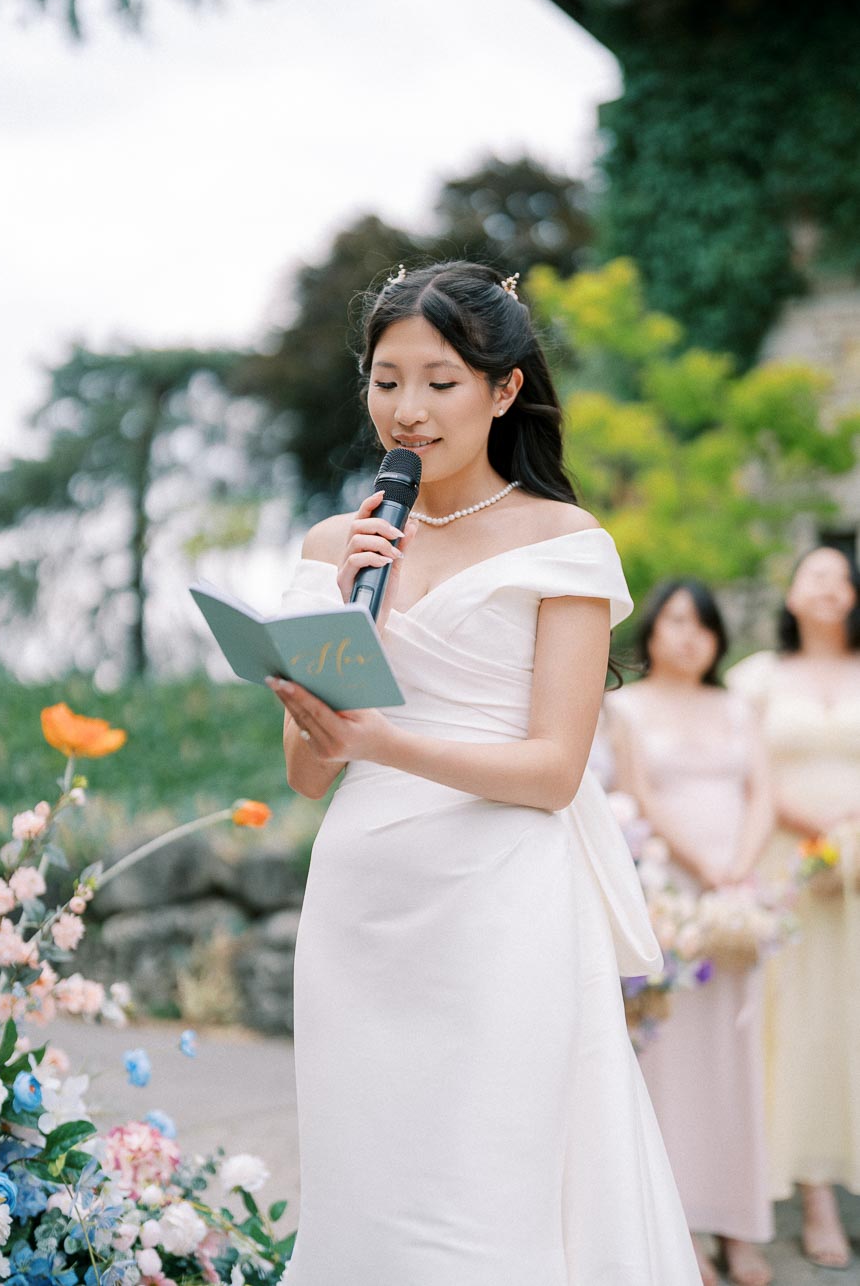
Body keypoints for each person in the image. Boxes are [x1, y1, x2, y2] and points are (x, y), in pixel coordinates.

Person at [266, 261, 701, 1286]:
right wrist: (336, 609)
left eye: (439, 381)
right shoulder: (339, 544)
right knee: (369, 1179)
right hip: (362, 906)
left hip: (502, 907)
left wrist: (385, 742)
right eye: (385, 380)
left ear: (504, 390)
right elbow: (303, 771)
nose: (406, 410)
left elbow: (553, 772)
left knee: (487, 1185)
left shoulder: (565, 543)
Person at [603, 579, 775, 1286]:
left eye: (702, 623)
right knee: (670, 1065)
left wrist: (739, 865)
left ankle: (741, 1226)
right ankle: (681, 1232)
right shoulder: (626, 707)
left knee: (738, 1062)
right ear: (653, 631)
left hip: (737, 901)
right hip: (667, 893)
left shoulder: (736, 704)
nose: (689, 635)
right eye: (675, 620)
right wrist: (702, 863)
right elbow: (638, 794)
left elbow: (762, 791)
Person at [727, 543, 860, 1271]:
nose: (830, 587)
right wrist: (826, 833)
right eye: (815, 574)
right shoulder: (756, 680)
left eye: (843, 578)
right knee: (805, 1026)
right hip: (792, 874)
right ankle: (813, 1194)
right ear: (790, 591)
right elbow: (746, 776)